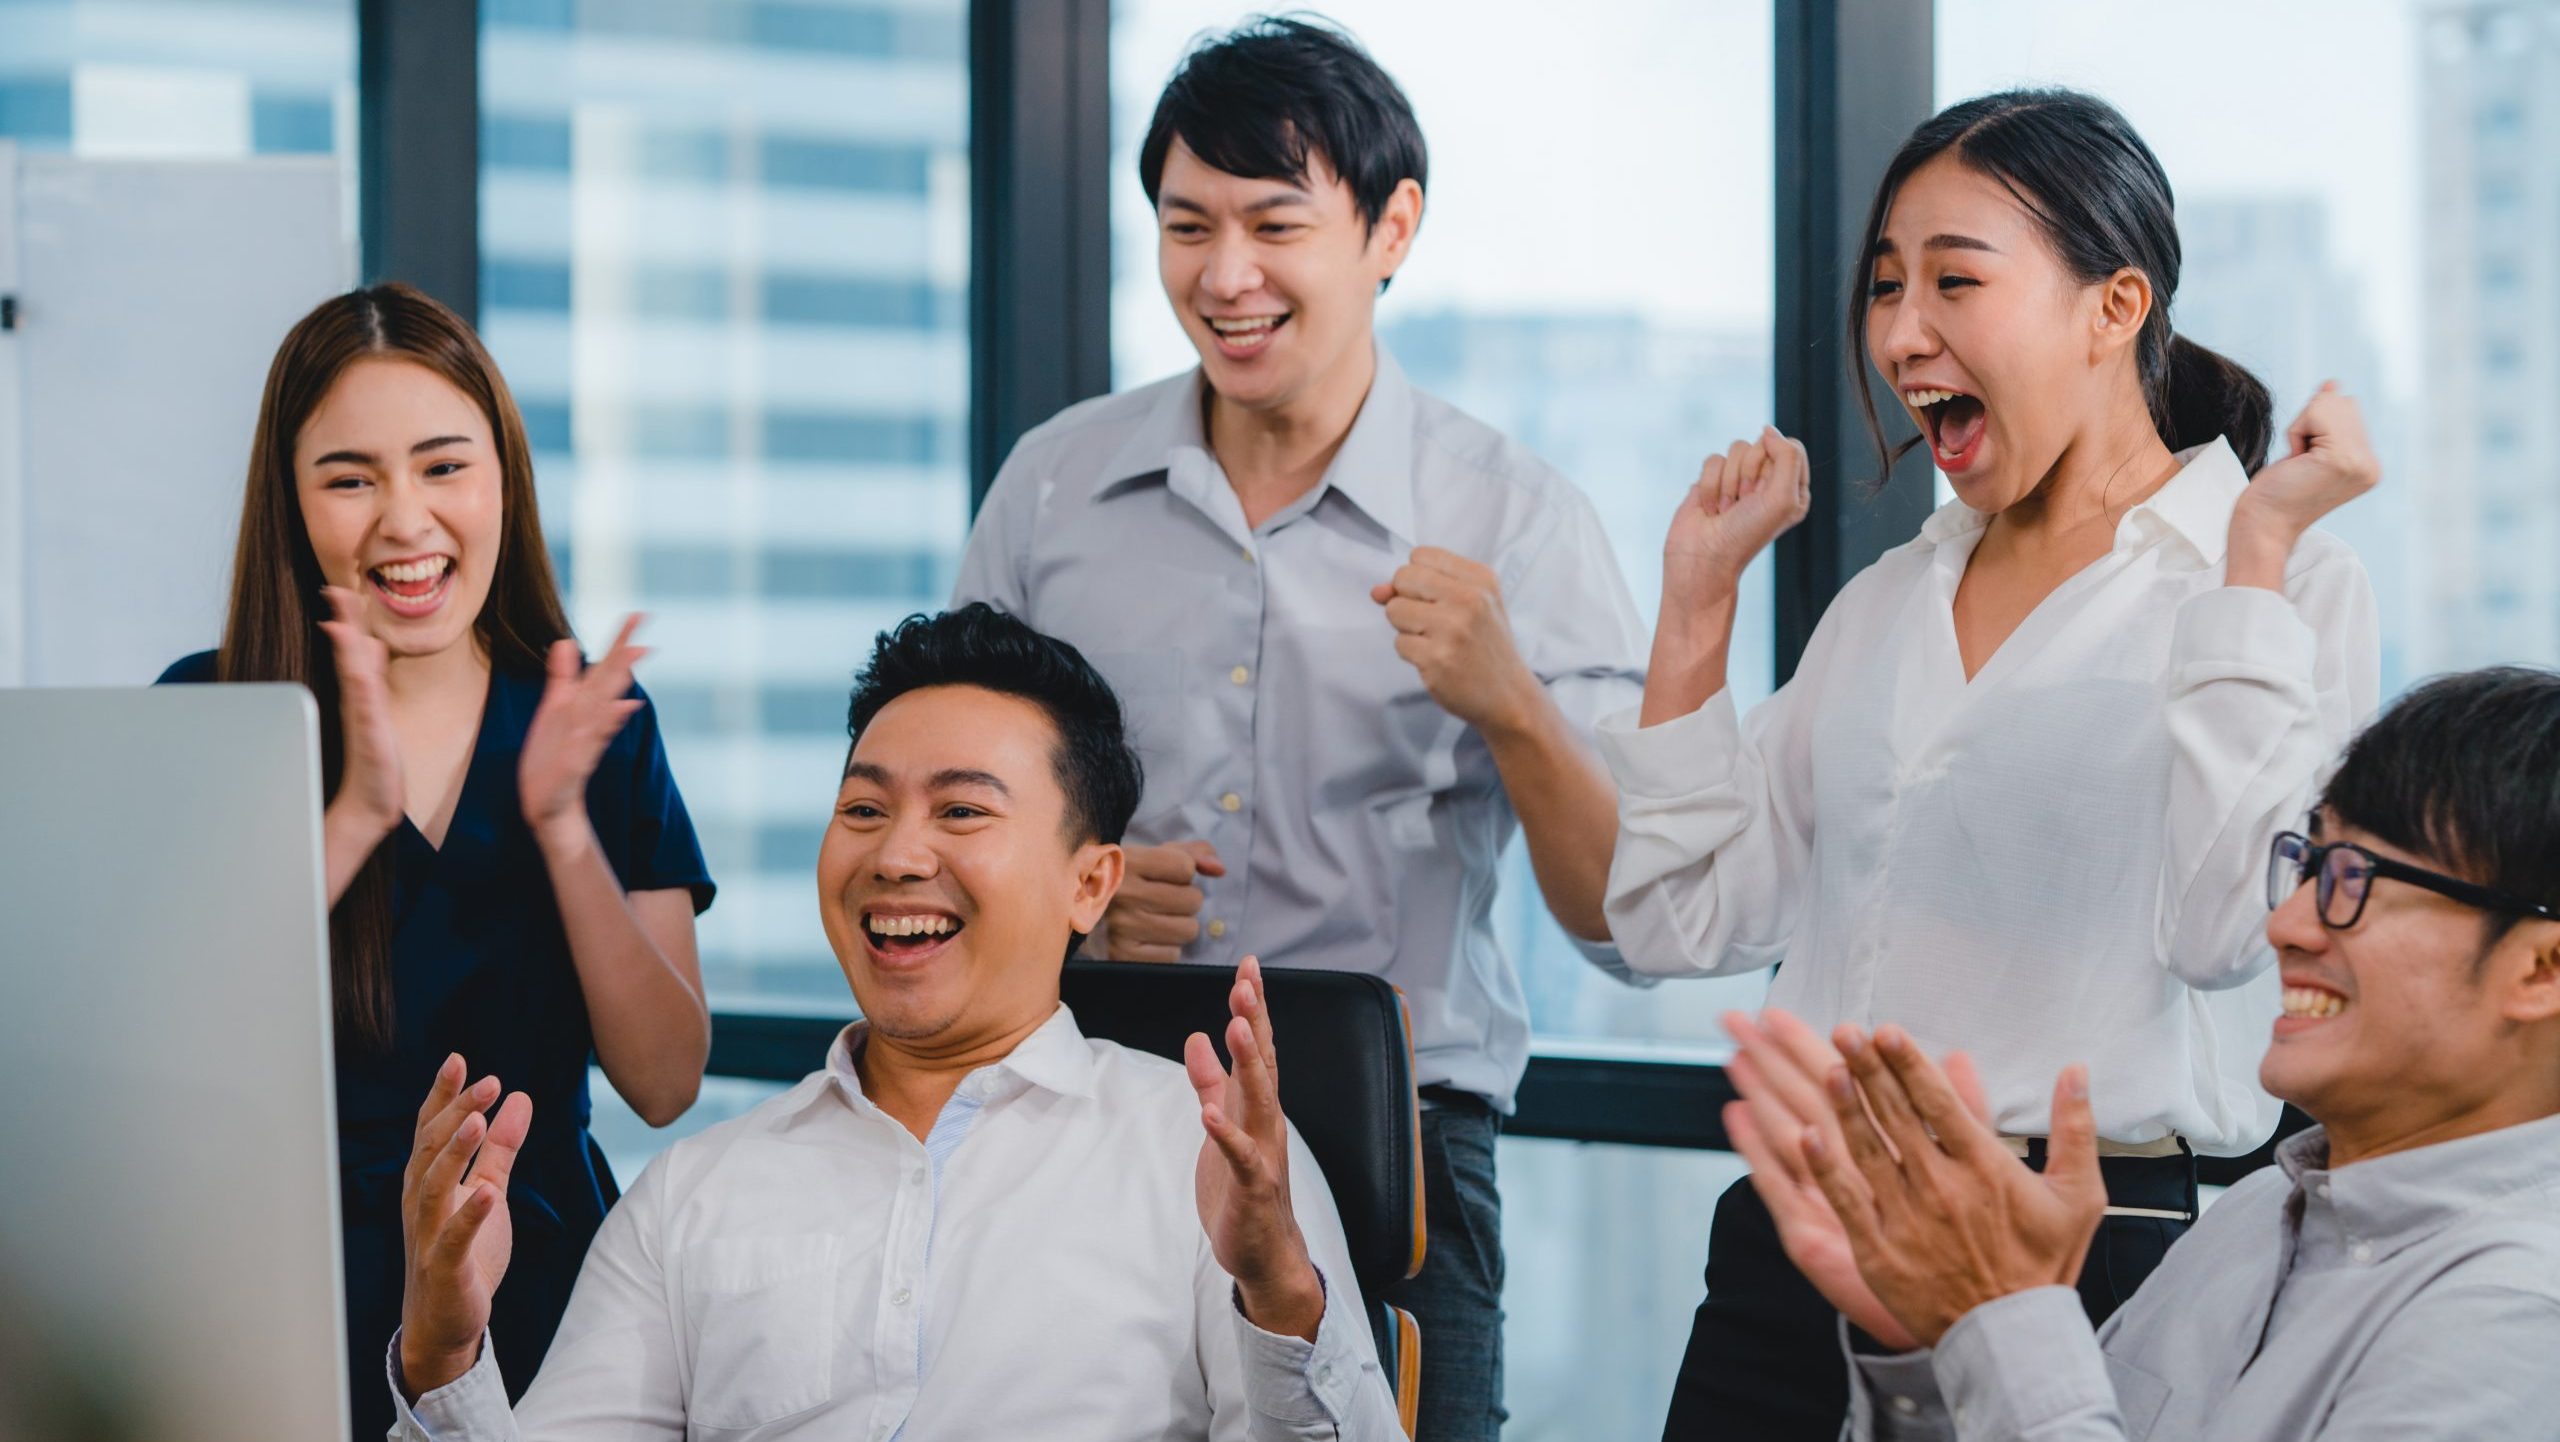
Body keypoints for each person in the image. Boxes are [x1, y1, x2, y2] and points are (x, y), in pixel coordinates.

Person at [1600, 89, 2381, 1439]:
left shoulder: (2285, 579)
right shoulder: (1890, 601)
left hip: (2077, 1256)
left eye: (1957, 279)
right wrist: (1696, 611)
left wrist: (2250, 561)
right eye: (1888, 285)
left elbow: (2221, 929)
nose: (1903, 333)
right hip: (1798, 1239)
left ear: (2115, 306)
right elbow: (1678, 918)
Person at [953, 22, 1646, 1435]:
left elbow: (1620, 917)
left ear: (1392, 229)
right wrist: (1062, 896)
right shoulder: (1051, 486)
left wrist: (1511, 698)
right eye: (1186, 223)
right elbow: (942, 797)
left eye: (1276, 223)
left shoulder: (1516, 517)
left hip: (1396, 1143)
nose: (1224, 274)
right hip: (1086, 1108)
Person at [383, 604, 1403, 1440]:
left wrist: (1276, 1291)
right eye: (864, 810)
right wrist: (441, 1358)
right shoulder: (694, 1192)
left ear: (1090, 881)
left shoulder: (1199, 1151)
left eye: (961, 811)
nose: (897, 855)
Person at [1724, 665, 2560, 1440]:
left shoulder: (2519, 1312)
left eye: (2357, 881)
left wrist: (2005, 1318)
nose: (2286, 925)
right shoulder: (2254, 1218)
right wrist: (1937, 1349)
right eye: (2306, 867)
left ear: (2540, 966)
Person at [158, 283, 715, 1439]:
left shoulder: (590, 711)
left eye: (444, 466)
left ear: (503, 477)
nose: (404, 520)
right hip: (275, 1291)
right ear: (292, 499)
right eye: (350, 476)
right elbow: (165, 1045)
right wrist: (355, 812)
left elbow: (664, 1079)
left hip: (548, 1288)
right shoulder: (212, 710)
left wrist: (561, 823)